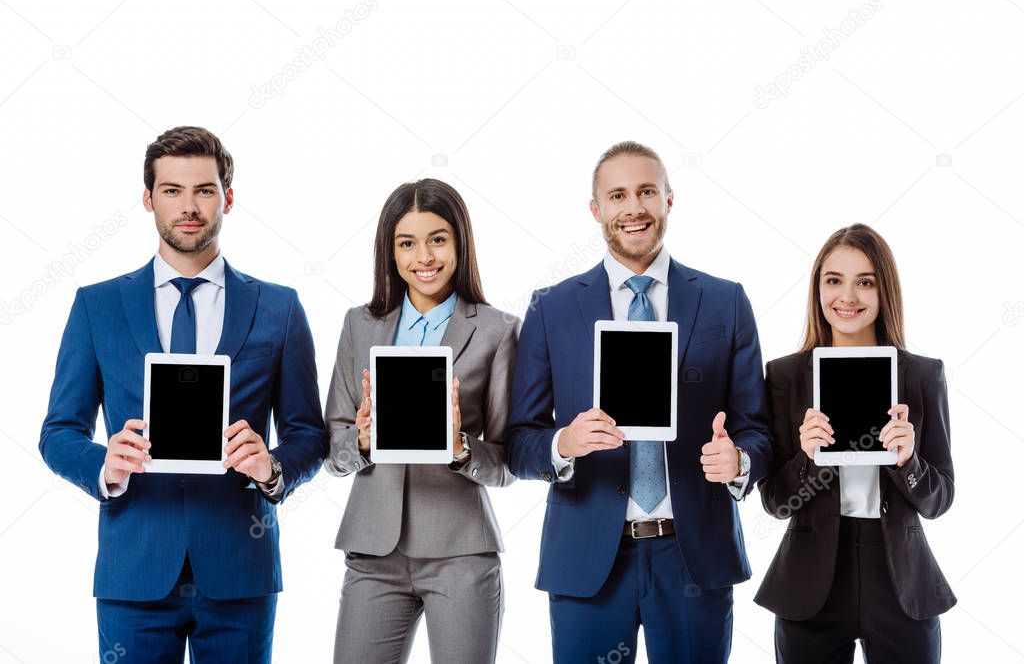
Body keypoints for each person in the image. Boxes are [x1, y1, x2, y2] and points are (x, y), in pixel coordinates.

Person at [39, 126, 328, 663]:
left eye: (204, 190)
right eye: (172, 190)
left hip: (241, 570)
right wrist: (107, 466)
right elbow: (58, 433)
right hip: (134, 572)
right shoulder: (96, 306)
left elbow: (308, 433)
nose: (188, 206)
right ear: (148, 198)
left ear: (228, 197)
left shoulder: (279, 308)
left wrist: (272, 469)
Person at [505, 141, 773, 663]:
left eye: (647, 191)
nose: (634, 208)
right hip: (588, 556)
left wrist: (739, 461)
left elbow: (758, 429)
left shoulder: (725, 301)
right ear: (596, 209)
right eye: (618, 195)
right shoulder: (552, 307)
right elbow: (519, 442)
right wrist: (566, 442)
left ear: (669, 200)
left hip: (693, 553)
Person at [324, 178, 518, 664]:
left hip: (460, 551)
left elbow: (509, 460)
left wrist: (461, 448)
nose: (423, 257)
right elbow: (334, 445)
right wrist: (362, 442)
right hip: (373, 551)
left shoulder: (497, 330)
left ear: (459, 243)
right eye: (406, 243)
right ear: (389, 251)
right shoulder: (359, 325)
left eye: (437, 239)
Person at [756, 223, 955, 663]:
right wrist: (807, 459)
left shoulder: (922, 375)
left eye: (865, 282)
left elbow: (940, 499)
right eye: (834, 281)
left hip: (900, 578)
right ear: (817, 290)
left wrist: (909, 463)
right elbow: (774, 501)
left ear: (885, 291)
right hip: (811, 580)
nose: (847, 296)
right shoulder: (786, 376)